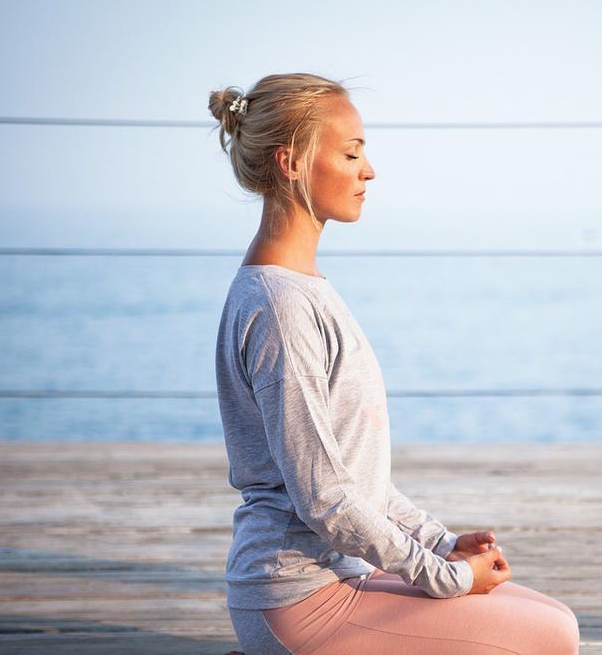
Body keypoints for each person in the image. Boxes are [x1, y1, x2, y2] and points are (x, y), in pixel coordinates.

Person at [209, 73, 580, 654]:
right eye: (351, 152)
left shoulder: (304, 290)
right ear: (291, 163)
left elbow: (355, 479)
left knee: (545, 613)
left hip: (341, 575)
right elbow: (325, 499)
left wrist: (440, 542)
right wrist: (447, 578)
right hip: (298, 599)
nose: (369, 170)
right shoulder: (281, 308)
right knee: (551, 636)